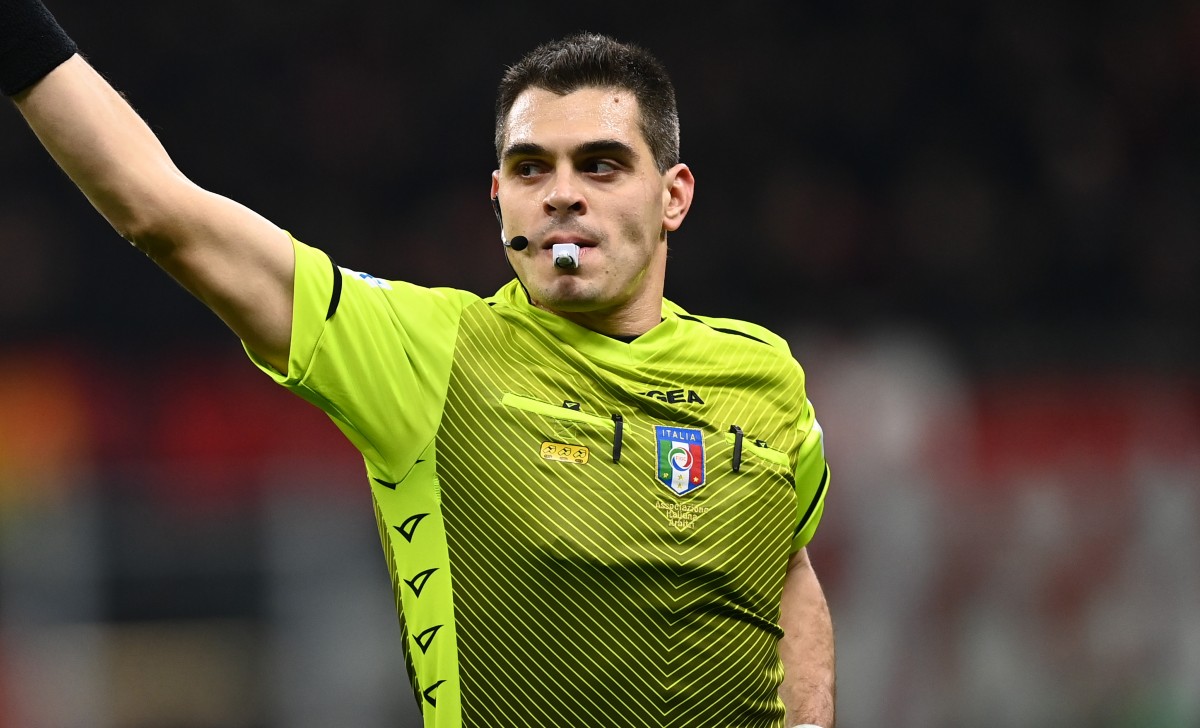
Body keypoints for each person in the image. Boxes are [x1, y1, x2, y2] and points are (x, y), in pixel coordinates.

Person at [2, 2, 835, 726]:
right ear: (500, 201)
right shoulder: (431, 354)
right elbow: (160, 210)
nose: (562, 192)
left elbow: (787, 567)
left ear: (673, 196)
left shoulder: (763, 378)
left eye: (601, 164)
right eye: (530, 168)